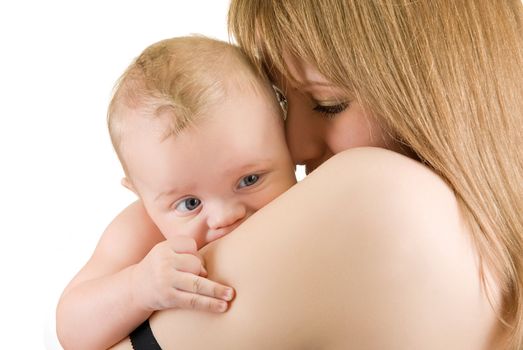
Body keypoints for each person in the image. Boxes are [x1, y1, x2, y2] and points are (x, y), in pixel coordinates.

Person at [88, 0, 523, 349]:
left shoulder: (381, 196)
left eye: (327, 104)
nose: (293, 147)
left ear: (445, 91)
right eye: (282, 100)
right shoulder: (491, 265)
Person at [55, 36, 297, 350]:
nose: (226, 217)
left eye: (249, 179)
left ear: (289, 147)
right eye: (190, 203)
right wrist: (138, 289)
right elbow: (72, 329)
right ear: (142, 197)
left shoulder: (310, 204)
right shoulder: (142, 232)